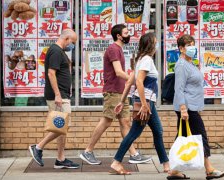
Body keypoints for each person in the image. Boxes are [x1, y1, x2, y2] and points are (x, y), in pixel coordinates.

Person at [79, 24, 151, 165]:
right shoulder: (113, 49)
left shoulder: (119, 49)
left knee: (125, 122)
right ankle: (87, 151)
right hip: (112, 91)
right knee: (107, 120)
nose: (128, 34)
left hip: (120, 91)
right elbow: (118, 71)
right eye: (126, 32)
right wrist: (135, 79)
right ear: (119, 36)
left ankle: (134, 154)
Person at [167, 34, 224, 179]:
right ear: (181, 49)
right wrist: (183, 109)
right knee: (201, 136)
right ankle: (209, 169)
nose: (192, 48)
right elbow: (179, 89)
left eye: (193, 44)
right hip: (188, 107)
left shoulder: (190, 63)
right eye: (188, 45)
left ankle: (174, 171)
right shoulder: (181, 65)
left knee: (183, 136)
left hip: (192, 106)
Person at [110, 32, 170, 175]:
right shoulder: (147, 59)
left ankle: (166, 165)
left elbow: (130, 81)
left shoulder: (140, 59)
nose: (157, 45)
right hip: (146, 101)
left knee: (156, 131)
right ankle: (116, 162)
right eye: (155, 42)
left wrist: (122, 101)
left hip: (145, 101)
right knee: (135, 133)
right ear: (150, 44)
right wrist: (144, 104)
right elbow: (138, 82)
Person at [29, 29, 79, 169]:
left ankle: (60, 159)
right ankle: (38, 147)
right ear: (67, 38)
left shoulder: (59, 51)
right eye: (73, 42)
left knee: (62, 126)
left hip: (63, 94)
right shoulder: (56, 51)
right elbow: (51, 74)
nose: (72, 45)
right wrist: (57, 94)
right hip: (58, 96)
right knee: (63, 125)